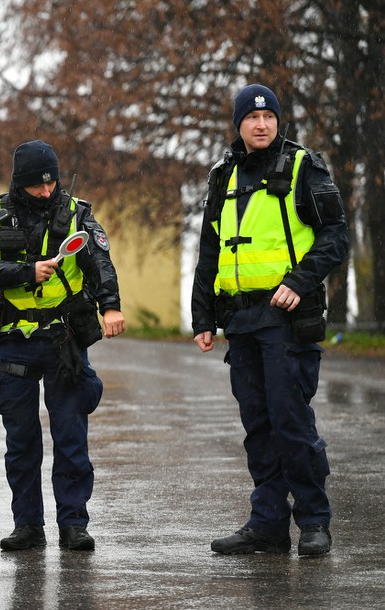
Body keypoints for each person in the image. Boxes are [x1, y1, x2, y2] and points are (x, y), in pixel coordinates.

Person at [191, 84, 350, 556]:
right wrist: (203, 316)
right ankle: (268, 523)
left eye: (269, 118)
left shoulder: (304, 167)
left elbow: (336, 236)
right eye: (252, 118)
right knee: (258, 426)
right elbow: (209, 251)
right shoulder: (223, 176)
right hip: (240, 321)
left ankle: (315, 521)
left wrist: (299, 282)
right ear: (238, 124)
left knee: (291, 421)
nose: (261, 125)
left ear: (278, 122)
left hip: (287, 318)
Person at [0, 139, 126, 552]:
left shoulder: (77, 214)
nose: (47, 191)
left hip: (64, 340)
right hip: (13, 342)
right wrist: (24, 272)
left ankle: (73, 524)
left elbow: (101, 264)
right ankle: (27, 527)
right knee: (21, 442)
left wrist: (110, 307)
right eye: (37, 185)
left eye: (52, 182)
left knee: (71, 438)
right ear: (19, 183)